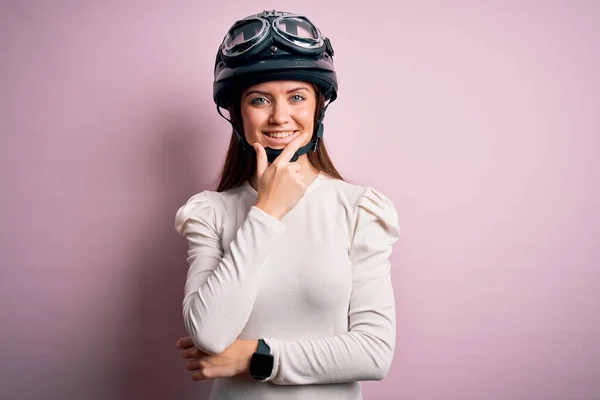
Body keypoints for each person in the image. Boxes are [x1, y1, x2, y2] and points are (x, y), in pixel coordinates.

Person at [174, 10, 401, 400]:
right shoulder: (209, 213)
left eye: (296, 97)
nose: (280, 116)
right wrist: (267, 211)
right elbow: (209, 334)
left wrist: (255, 356)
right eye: (259, 100)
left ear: (318, 107)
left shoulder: (360, 209)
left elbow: (374, 352)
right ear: (237, 113)